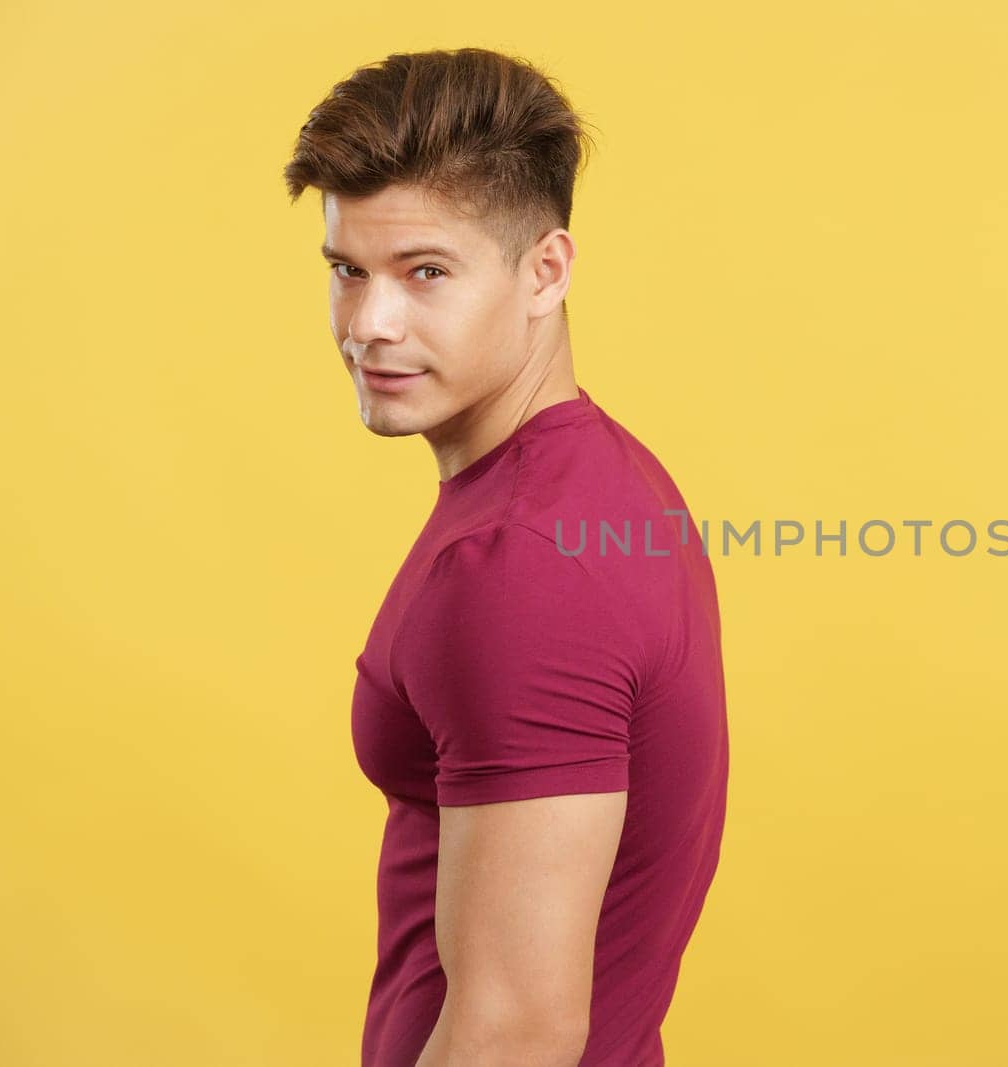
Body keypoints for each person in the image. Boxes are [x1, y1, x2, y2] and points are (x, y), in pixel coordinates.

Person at [282, 47, 729, 1067]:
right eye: (348, 270)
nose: (368, 325)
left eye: (424, 272)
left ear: (546, 270)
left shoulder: (520, 565)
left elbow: (514, 1034)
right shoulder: (598, 481)